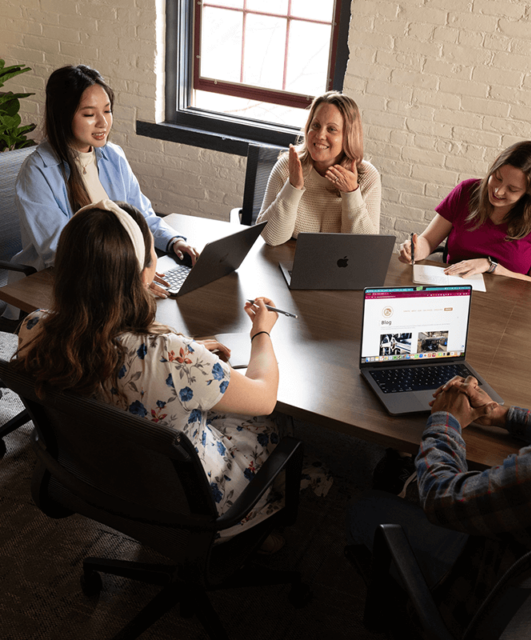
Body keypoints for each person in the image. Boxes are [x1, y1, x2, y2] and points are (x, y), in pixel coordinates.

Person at [348, 275, 531, 636]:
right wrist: (503, 415)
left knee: (365, 509)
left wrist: (446, 422)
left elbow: (442, 499)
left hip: (485, 605)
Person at [13, 200, 281, 542]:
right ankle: (255, 525)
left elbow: (113, 348)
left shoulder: (33, 327)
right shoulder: (171, 355)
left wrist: (192, 353)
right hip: (195, 508)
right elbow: (264, 396)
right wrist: (261, 331)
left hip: (96, 477)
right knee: (274, 422)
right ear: (144, 274)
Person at [11, 64, 198, 299]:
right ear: (63, 115)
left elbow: (141, 217)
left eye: (107, 111)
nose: (103, 123)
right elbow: (61, 253)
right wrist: (128, 281)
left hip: (120, 278)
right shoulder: (37, 171)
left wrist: (174, 242)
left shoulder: (113, 156)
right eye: (89, 114)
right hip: (61, 286)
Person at [399, 141, 531, 285]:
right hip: (456, 288)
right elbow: (428, 240)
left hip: (508, 303)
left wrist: (491, 266)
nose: (498, 191)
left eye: (512, 189)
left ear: (530, 192)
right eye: (497, 178)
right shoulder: (466, 191)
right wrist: (414, 251)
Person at [256, 91, 381, 246]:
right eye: (315, 126)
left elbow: (366, 247)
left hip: (340, 265)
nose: (320, 135)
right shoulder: (289, 166)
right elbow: (271, 238)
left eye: (332, 129)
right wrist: (293, 187)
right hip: (288, 263)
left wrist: (351, 194)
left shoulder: (368, 176)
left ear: (348, 136)